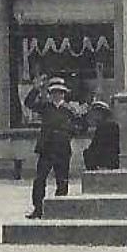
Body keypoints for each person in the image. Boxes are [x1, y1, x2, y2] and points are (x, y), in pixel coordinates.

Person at [24, 74, 87, 219]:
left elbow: (83, 125)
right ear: (50, 94)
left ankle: (60, 209)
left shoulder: (69, 110)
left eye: (59, 92)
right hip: (46, 149)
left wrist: (71, 131)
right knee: (40, 180)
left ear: (64, 94)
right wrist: (35, 89)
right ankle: (38, 209)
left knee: (62, 180)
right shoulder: (45, 107)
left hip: (62, 149)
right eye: (54, 92)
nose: (57, 95)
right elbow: (28, 103)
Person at [81, 100, 120, 171]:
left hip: (108, 159)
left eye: (97, 113)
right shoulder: (103, 126)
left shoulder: (107, 126)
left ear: (103, 114)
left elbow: (100, 145)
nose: (94, 115)